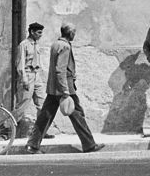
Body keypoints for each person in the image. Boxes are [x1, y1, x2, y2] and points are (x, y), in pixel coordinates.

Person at [26, 24, 104, 154]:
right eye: (74, 32)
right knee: (77, 115)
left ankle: (32, 146)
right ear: (70, 33)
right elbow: (60, 69)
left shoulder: (56, 44)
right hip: (64, 88)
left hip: (53, 88)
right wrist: (65, 91)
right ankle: (89, 145)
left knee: (45, 117)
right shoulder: (65, 46)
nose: (75, 34)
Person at [15, 22, 49, 131]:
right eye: (39, 32)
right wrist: (24, 79)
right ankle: (8, 128)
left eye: (41, 33)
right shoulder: (23, 45)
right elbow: (20, 63)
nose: (41, 35)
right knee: (23, 105)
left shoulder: (36, 45)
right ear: (32, 32)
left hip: (36, 75)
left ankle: (40, 131)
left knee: (42, 103)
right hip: (27, 75)